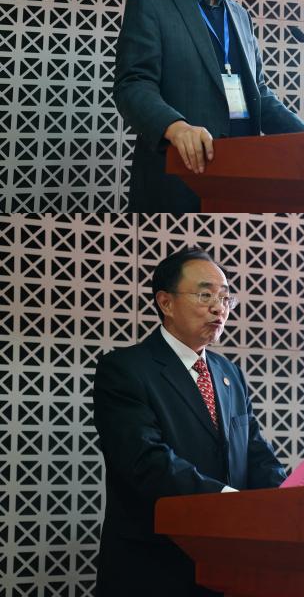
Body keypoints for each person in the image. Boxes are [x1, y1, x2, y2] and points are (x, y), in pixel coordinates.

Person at [92, 248, 287, 597]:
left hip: (230, 566)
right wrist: (227, 500)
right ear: (166, 303)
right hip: (155, 568)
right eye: (205, 295)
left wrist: (289, 500)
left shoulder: (230, 374)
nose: (219, 308)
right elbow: (145, 462)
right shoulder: (125, 369)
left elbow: (255, 452)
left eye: (225, 298)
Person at [112, 0, 304, 213]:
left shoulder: (240, 16)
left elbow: (259, 95)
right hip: (181, 182)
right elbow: (133, 86)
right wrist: (176, 127)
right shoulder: (151, 4)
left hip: (244, 182)